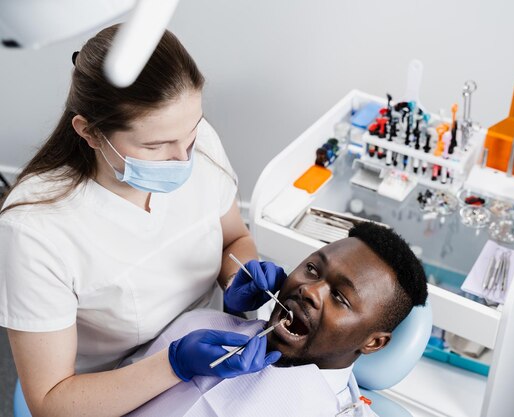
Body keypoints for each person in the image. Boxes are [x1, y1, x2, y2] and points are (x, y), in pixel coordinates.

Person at [0, 25, 287, 417]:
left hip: (210, 349)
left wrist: (238, 277)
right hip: (116, 389)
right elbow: (51, 401)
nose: (184, 157)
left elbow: (234, 238)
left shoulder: (194, 141)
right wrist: (174, 364)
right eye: (154, 147)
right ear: (90, 132)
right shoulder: (35, 230)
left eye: (191, 133)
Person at [125, 222, 428, 417]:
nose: (309, 290)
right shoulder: (200, 328)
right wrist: (172, 365)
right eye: (312, 268)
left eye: (339, 297)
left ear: (374, 342)